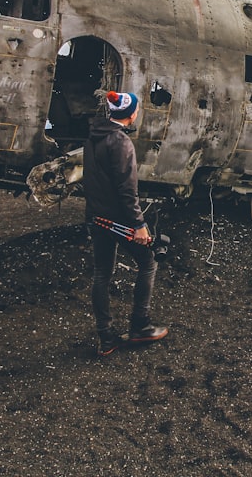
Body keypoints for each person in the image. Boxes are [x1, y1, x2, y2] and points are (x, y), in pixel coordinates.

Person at [83, 91, 168, 355]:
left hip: (97, 217)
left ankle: (106, 337)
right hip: (119, 219)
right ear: (131, 114)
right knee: (147, 262)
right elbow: (127, 190)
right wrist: (139, 224)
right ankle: (140, 326)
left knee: (101, 274)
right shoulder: (120, 143)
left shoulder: (92, 138)